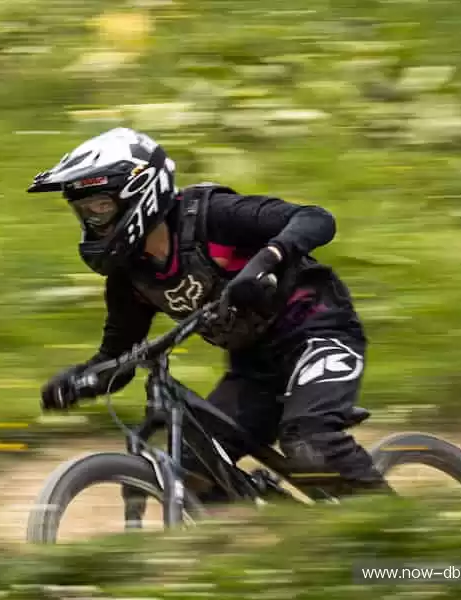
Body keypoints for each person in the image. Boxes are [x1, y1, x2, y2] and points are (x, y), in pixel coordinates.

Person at [28, 127, 391, 501]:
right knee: (194, 469)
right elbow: (119, 357)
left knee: (311, 441)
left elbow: (316, 219)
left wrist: (265, 261)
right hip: (255, 369)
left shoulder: (211, 217)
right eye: (84, 213)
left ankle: (405, 535)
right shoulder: (130, 279)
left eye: (100, 208)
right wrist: (80, 381)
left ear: (139, 193)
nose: (92, 222)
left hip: (317, 332)